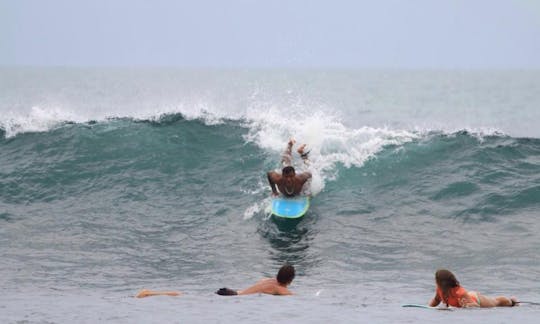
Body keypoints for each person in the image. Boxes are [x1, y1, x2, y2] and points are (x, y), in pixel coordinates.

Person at [429, 269, 518, 308]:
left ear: (441, 282)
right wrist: (428, 308)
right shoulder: (439, 289)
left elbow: (476, 306)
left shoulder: (460, 292)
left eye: (436, 279)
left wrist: (468, 306)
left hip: (476, 299)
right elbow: (436, 300)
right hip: (469, 296)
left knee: (496, 302)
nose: (435, 281)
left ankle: (512, 301)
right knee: (495, 302)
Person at [216, 264, 295, 296]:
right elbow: (292, 297)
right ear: (290, 279)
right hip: (234, 296)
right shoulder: (281, 289)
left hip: (235, 292)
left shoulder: (268, 280)